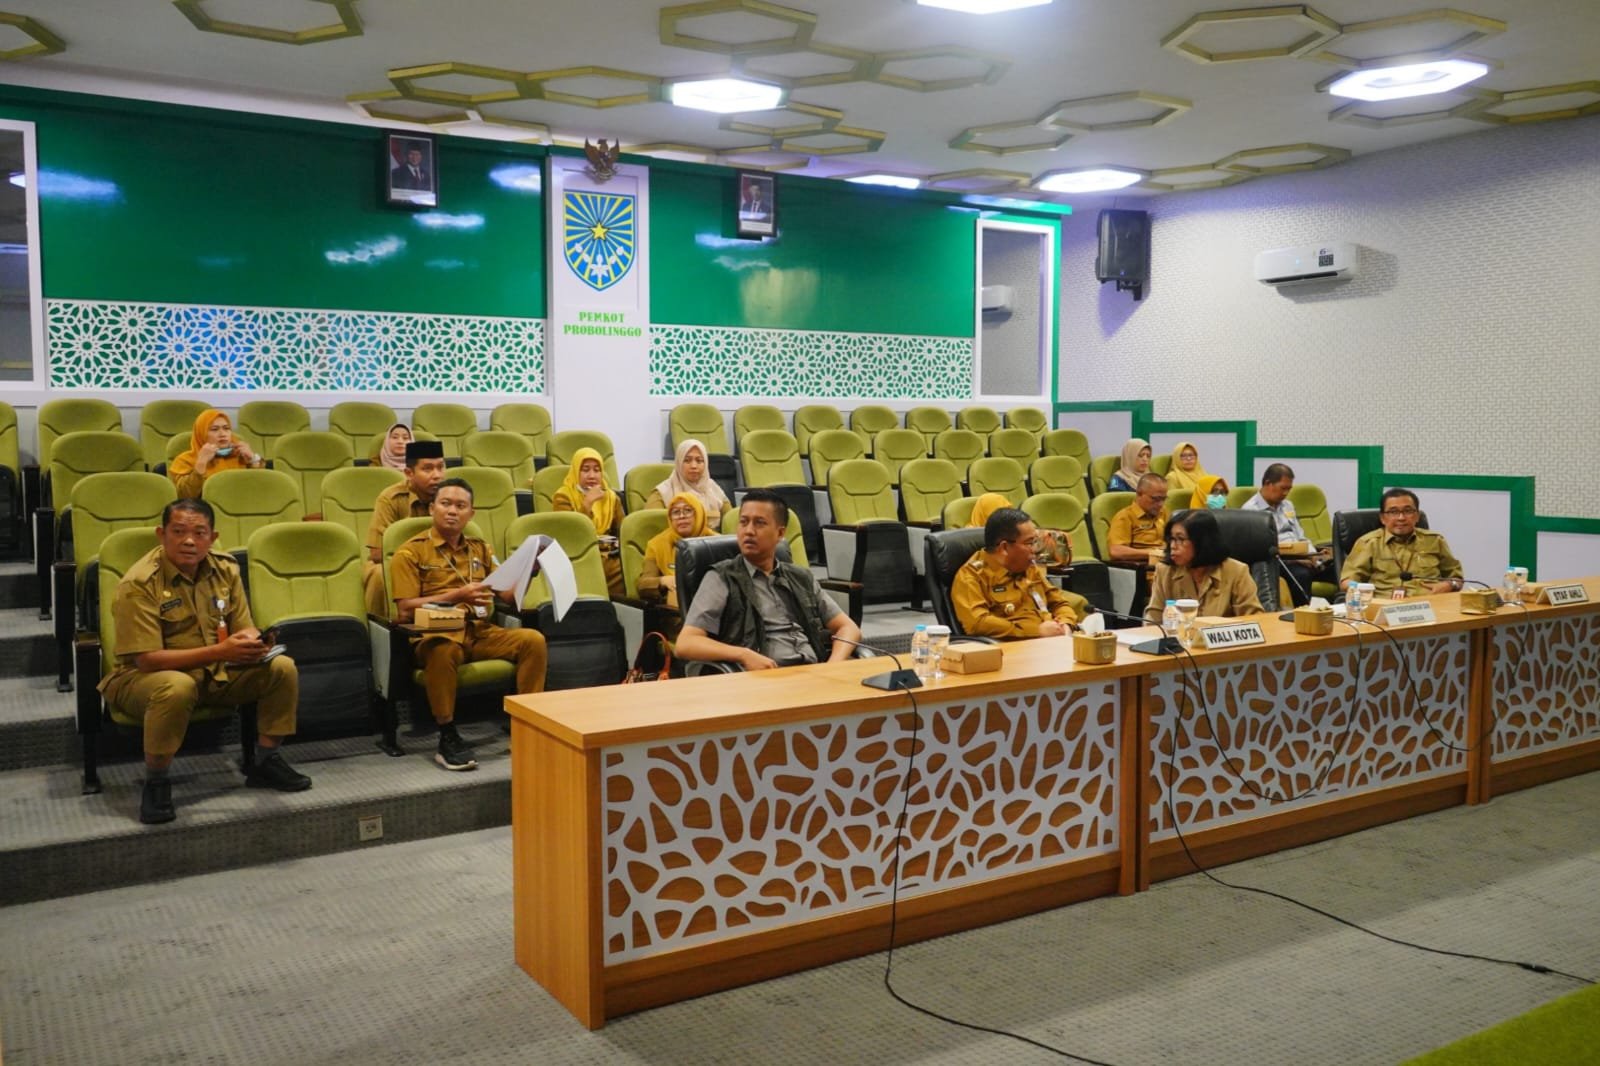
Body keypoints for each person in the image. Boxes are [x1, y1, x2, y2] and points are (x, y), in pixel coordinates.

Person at [100, 499, 309, 824]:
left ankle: (266, 761)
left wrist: (253, 641)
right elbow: (147, 660)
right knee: (176, 686)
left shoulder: (225, 569)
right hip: (140, 679)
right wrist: (221, 652)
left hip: (214, 671)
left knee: (281, 668)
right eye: (178, 532)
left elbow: (243, 625)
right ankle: (156, 782)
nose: (189, 541)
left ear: (213, 537)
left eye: (199, 533)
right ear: (161, 534)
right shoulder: (139, 583)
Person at [390, 477, 548, 772]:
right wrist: (458, 595)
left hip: (479, 631)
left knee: (533, 640)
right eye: (445, 504)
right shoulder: (410, 552)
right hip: (437, 633)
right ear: (432, 508)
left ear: (471, 514)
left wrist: (531, 569)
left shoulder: (481, 549)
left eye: (460, 506)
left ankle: (527, 727)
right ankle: (447, 736)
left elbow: (507, 596)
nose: (452, 511)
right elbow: (405, 609)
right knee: (443, 650)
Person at [676, 488, 862, 670]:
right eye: (743, 522)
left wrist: (833, 665)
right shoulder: (722, 577)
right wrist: (743, 654)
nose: (749, 531)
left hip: (812, 672)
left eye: (759, 523)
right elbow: (686, 643)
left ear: (780, 533)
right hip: (762, 678)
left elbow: (848, 628)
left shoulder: (800, 577)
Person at [951, 506, 1089, 640]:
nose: (1035, 549)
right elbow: (978, 623)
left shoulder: (1028, 567)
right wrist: (1036, 631)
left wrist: (1066, 624)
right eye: (1030, 543)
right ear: (1004, 547)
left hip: (1051, 640)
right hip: (1016, 646)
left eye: (1036, 541)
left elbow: (1058, 602)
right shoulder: (972, 577)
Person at [363, 439, 447, 617]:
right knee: (379, 574)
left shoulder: (450, 496)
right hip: (400, 564)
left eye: (441, 467)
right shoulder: (391, 498)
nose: (437, 475)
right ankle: (385, 627)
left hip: (441, 562)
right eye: (428, 469)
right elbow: (377, 553)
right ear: (409, 473)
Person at [1143, 509, 1263, 623]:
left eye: (1180, 539)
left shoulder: (1236, 571)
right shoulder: (1165, 571)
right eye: (1172, 539)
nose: (1173, 546)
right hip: (1177, 637)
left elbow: (1254, 619)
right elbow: (1153, 620)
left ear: (1202, 542)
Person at [1340, 488, 1463, 598]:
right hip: (1386, 606)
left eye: (1408, 511)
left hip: (1431, 605)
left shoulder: (1435, 540)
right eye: (1393, 512)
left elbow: (1457, 578)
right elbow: (1346, 582)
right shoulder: (1369, 543)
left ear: (1417, 516)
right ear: (1382, 518)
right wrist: (1361, 590)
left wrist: (1449, 585)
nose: (1401, 518)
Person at [1244, 463, 1330, 606]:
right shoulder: (1251, 510)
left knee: (1337, 567)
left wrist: (1313, 554)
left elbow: (1300, 536)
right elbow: (1262, 549)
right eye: (1283, 488)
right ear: (1268, 484)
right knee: (1301, 575)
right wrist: (1297, 559)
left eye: (1289, 489)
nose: (1286, 493)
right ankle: (1303, 614)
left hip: (1303, 557)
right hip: (1279, 561)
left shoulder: (1288, 505)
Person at [553, 447, 625, 597]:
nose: (592, 475)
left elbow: (623, 531)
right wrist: (587, 503)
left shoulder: (611, 497)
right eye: (585, 470)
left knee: (631, 567)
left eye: (597, 470)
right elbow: (570, 535)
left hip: (608, 556)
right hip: (578, 556)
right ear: (576, 471)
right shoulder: (563, 497)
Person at [167, 409, 263, 498]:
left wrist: (253, 459)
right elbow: (184, 496)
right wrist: (201, 463)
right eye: (214, 429)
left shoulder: (240, 455)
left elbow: (260, 489)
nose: (222, 434)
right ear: (201, 433)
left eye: (226, 428)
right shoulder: (185, 460)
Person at [639, 492, 711, 610]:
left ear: (699, 514)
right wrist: (663, 580)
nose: (681, 516)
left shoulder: (715, 541)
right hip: (677, 606)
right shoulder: (656, 544)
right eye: (676, 512)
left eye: (688, 510)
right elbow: (643, 584)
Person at [644, 438, 730, 522]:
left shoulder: (714, 489)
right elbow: (651, 525)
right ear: (679, 463)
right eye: (687, 460)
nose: (694, 466)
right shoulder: (661, 494)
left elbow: (731, 521)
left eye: (699, 461)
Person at [1108, 474, 1168, 563]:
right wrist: (1153, 553)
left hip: (1166, 563)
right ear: (1139, 494)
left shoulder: (1163, 512)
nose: (1160, 504)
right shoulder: (1125, 516)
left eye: (1164, 499)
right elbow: (1116, 551)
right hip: (1143, 566)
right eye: (1156, 499)